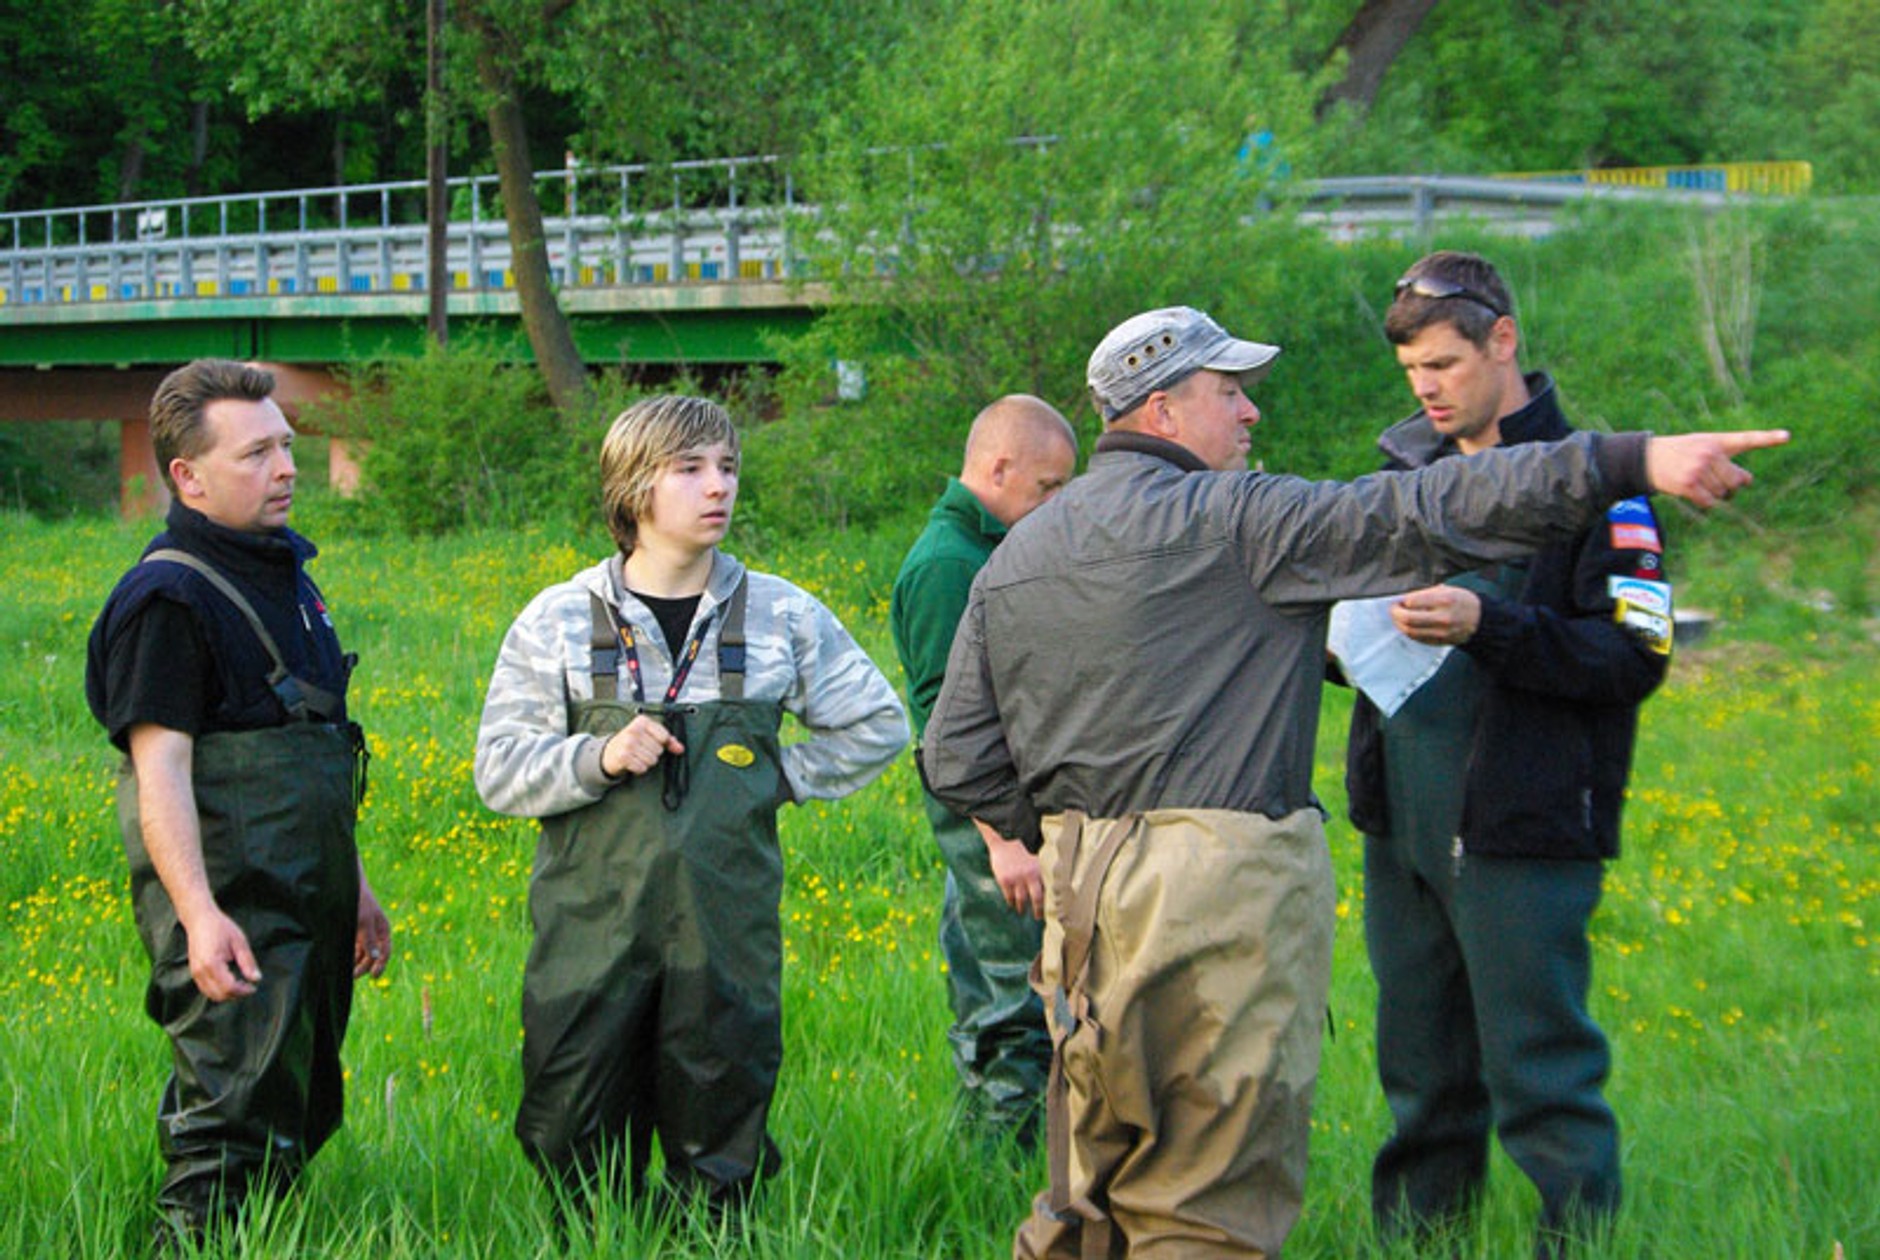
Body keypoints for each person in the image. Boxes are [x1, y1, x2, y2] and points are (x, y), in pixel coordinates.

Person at [919, 304, 1785, 1259]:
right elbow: (1428, 509)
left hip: (1078, 899)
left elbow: (956, 753)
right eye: (1231, 392)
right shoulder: (1247, 520)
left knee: (1088, 1190)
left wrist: (1062, 836)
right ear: (1162, 412)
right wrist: (1626, 464)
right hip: (1219, 888)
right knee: (1204, 1203)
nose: (1250, 414)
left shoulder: (1022, 552)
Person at [473, 394, 907, 1221]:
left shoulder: (779, 613)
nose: (720, 487)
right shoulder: (559, 619)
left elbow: (880, 723)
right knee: (569, 1122)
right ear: (636, 490)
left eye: (729, 468)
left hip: (724, 932)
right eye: (692, 469)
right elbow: (496, 771)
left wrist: (775, 778)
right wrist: (595, 756)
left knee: (721, 1115)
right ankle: (596, 1241)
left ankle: (710, 1239)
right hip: (589, 928)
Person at [1339, 251, 1669, 1257]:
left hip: (1521, 826)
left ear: (1503, 342)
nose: (1426, 389)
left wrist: (1489, 624)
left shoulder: (1601, 485)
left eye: (1442, 364)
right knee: (1417, 1067)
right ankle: (1416, 1241)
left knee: (1539, 1070)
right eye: (1409, 374)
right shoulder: (1403, 475)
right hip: (1400, 821)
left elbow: (1633, 655)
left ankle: (1576, 1243)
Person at [84, 359, 392, 1248]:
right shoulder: (168, 598)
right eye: (256, 453)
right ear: (188, 475)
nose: (288, 467)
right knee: (229, 1118)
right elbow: (160, 775)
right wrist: (198, 916)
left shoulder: (288, 576)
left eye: (287, 447)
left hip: (308, 887)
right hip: (230, 901)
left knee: (296, 1098)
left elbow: (315, 741)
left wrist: (356, 887)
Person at [890, 394, 1078, 1149]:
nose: (1054, 505)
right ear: (998, 467)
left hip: (1005, 812)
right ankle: (1002, 1167)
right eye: (1047, 488)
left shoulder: (992, 548)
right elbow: (945, 727)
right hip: (989, 822)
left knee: (989, 984)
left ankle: (986, 1156)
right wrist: (1002, 842)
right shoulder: (947, 565)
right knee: (1013, 1004)